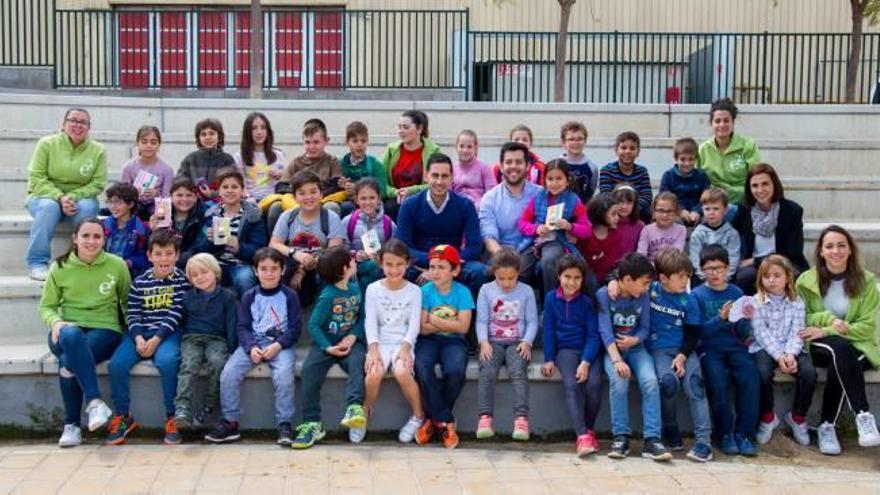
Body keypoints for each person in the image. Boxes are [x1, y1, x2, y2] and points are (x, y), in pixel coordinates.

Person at [39, 217, 131, 447]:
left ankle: (71, 426)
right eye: (86, 236)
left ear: (104, 239)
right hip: (65, 329)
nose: (91, 241)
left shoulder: (117, 265)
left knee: (68, 361)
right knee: (71, 335)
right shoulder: (59, 267)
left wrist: (134, 332)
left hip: (105, 329)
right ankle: (94, 402)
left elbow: (128, 303)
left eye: (97, 236)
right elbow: (46, 306)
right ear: (75, 239)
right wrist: (56, 321)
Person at [796, 225, 880, 455]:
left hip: (857, 344)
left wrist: (827, 331)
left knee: (841, 358)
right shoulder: (806, 281)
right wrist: (829, 321)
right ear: (821, 252)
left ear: (850, 250)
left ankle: (826, 427)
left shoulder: (867, 282)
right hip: (817, 345)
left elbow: (867, 327)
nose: (836, 251)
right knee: (841, 350)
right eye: (829, 246)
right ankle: (863, 414)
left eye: (841, 245)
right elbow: (800, 316)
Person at [205, 248, 301, 445]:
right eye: (264, 269)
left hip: (280, 346)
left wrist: (278, 345)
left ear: (282, 270)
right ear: (255, 271)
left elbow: (295, 328)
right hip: (254, 344)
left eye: (274, 268)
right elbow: (243, 326)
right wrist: (251, 347)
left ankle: (284, 424)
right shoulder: (250, 296)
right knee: (228, 374)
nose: (269, 273)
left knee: (283, 376)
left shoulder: (289, 296)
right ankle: (231, 422)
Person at [106, 229, 189, 445]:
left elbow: (176, 313)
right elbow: (132, 313)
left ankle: (172, 417)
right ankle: (124, 416)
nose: (164, 259)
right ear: (150, 256)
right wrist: (139, 339)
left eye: (169, 253)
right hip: (140, 334)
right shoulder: (140, 282)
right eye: (159, 254)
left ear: (177, 255)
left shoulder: (182, 281)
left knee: (168, 362)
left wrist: (157, 339)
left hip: (168, 334)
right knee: (117, 364)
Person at [598, 253, 671, 462]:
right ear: (627, 280)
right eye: (644, 283)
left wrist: (635, 340)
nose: (647, 288)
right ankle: (621, 436)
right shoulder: (604, 295)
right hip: (613, 351)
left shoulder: (643, 296)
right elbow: (604, 331)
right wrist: (617, 360)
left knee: (649, 381)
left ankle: (652, 439)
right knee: (619, 381)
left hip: (637, 350)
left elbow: (646, 328)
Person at [293, 247, 368, 449]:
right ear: (344, 269)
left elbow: (362, 317)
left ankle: (354, 407)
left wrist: (353, 336)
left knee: (358, 363)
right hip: (325, 344)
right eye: (351, 261)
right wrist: (327, 347)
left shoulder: (356, 286)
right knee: (309, 371)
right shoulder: (327, 295)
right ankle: (312, 422)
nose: (354, 262)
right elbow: (313, 325)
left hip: (350, 343)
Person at [644, 248, 713, 462]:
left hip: (684, 350)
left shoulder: (689, 300)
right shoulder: (650, 290)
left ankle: (704, 442)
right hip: (659, 350)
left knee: (694, 384)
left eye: (688, 275)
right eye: (680, 276)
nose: (685, 281)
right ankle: (671, 430)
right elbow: (624, 277)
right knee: (668, 382)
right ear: (663, 278)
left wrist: (683, 356)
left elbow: (693, 334)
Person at [692, 244, 760, 457]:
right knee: (717, 379)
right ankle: (724, 433)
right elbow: (699, 332)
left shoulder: (736, 292)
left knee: (750, 377)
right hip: (710, 349)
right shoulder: (697, 295)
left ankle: (745, 434)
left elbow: (741, 330)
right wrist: (720, 318)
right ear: (702, 270)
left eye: (719, 268)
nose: (714, 273)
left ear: (728, 269)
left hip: (735, 347)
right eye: (709, 269)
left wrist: (746, 319)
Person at [26, 108, 106, 281]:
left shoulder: (98, 150)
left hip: (78, 200)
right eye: (73, 120)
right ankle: (37, 263)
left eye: (83, 122)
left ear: (89, 127)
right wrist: (59, 197)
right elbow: (36, 178)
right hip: (44, 197)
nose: (78, 125)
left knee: (88, 207)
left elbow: (98, 183)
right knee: (49, 207)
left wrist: (73, 196)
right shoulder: (46, 144)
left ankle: (79, 260)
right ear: (63, 125)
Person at [396, 153, 489, 296]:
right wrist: (434, 265)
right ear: (426, 176)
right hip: (420, 264)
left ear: (452, 178)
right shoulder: (409, 205)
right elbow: (403, 247)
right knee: (399, 269)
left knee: (480, 272)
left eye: (444, 176)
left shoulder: (465, 205)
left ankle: (470, 317)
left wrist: (445, 267)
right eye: (435, 175)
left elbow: (474, 247)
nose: (439, 181)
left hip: (454, 263)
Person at [363, 239, 426, 444]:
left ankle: (418, 415)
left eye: (399, 264)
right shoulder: (373, 289)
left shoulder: (414, 291)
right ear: (381, 263)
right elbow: (370, 322)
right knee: (374, 373)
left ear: (407, 263)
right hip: (380, 342)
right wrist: (373, 351)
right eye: (389, 264)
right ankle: (364, 412)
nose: (394, 269)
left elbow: (414, 325)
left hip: (403, 342)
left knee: (401, 371)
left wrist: (406, 348)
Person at [750, 255, 816, 447]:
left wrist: (790, 354)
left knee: (809, 373)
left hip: (791, 348)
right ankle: (768, 417)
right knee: (761, 373)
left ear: (788, 277)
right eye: (766, 276)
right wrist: (780, 357)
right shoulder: (756, 302)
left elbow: (798, 331)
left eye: (777, 275)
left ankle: (797, 416)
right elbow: (761, 334)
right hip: (765, 348)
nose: (771, 280)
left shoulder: (797, 302)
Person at [412, 245, 474, 449]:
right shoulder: (424, 291)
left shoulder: (462, 292)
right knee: (421, 367)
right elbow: (422, 328)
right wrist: (448, 324)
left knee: (455, 370)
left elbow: (463, 327)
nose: (434, 272)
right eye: (431, 267)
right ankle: (445, 421)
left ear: (455, 270)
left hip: (454, 341)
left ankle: (432, 420)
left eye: (441, 267)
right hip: (428, 341)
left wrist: (432, 318)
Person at [540, 254, 602, 457]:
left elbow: (594, 335)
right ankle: (581, 435)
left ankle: (589, 429)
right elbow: (548, 330)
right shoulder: (550, 298)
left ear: (583, 279)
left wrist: (585, 362)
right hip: (565, 351)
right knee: (572, 385)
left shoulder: (587, 301)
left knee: (593, 385)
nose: (571, 282)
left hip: (588, 350)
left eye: (577, 278)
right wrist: (549, 358)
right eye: (567, 276)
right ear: (559, 276)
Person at [475, 248, 538, 441]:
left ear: (518, 273)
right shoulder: (486, 290)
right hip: (493, 342)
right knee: (487, 371)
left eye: (511, 278)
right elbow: (482, 320)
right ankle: (485, 418)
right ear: (494, 273)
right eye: (501, 278)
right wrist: (483, 342)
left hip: (517, 343)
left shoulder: (526, 291)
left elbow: (533, 321)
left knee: (518, 371)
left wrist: (527, 341)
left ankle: (521, 418)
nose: (506, 283)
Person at [173, 253, 238, 431]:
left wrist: (233, 348)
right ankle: (182, 407)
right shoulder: (187, 298)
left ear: (215, 271)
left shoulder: (227, 296)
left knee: (217, 363)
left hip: (217, 339)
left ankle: (209, 405)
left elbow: (232, 323)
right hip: (192, 338)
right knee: (189, 364)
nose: (200, 277)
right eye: (194, 275)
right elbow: (182, 321)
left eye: (204, 272)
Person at [268, 171, 346, 306]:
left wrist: (303, 270)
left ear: (321, 194)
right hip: (294, 262)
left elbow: (334, 250)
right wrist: (295, 254)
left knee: (330, 271)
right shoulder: (288, 216)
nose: (308, 197)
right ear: (295, 197)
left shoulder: (331, 217)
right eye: (302, 193)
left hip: (320, 265)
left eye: (313, 192)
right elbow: (274, 244)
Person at [732, 163, 808, 295]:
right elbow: (732, 235)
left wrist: (755, 260)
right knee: (745, 277)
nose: (760, 190)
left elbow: (793, 252)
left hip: (785, 262)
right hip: (754, 267)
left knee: (793, 277)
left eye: (765, 184)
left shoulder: (792, 211)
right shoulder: (744, 209)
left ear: (774, 185)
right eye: (755, 185)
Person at [518, 159, 589, 293]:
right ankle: (526, 304)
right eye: (550, 179)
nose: (554, 183)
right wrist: (535, 229)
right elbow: (522, 222)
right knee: (520, 268)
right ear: (545, 181)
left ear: (567, 181)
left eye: (559, 179)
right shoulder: (538, 197)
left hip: (557, 240)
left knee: (548, 262)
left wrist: (569, 226)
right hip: (536, 241)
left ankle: (549, 303)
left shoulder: (574, 200)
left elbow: (586, 229)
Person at [194, 167, 266, 296]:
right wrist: (210, 241)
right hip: (215, 264)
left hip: (241, 264)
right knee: (201, 275)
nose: (230, 191)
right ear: (219, 191)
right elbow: (199, 248)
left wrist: (239, 248)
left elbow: (259, 250)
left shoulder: (253, 215)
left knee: (245, 278)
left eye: (234, 187)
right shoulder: (211, 214)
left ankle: (247, 313)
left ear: (242, 190)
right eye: (225, 187)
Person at [479, 141, 542, 278]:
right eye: (508, 162)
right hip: (498, 251)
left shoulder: (540, 195)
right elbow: (488, 235)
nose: (513, 166)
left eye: (518, 162)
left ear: (527, 166)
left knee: (518, 271)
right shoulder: (489, 198)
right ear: (501, 166)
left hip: (528, 250)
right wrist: (504, 257)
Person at [697, 98, 763, 208]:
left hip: (743, 203)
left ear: (733, 122)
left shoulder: (748, 145)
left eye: (726, 120)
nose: (722, 125)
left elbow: (757, 177)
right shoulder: (703, 149)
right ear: (711, 123)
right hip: (713, 205)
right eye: (717, 121)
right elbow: (696, 180)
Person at [381, 110, 440, 218]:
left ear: (419, 129)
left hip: (422, 198)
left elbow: (437, 182)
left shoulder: (433, 151)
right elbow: (380, 179)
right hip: (395, 199)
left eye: (406, 127)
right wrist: (395, 192)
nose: (401, 131)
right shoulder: (391, 150)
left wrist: (411, 191)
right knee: (391, 207)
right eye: (399, 127)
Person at [340, 178, 396, 293]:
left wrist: (380, 255)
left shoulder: (388, 224)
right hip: (354, 265)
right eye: (363, 198)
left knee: (373, 267)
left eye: (372, 198)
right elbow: (341, 247)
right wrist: (355, 254)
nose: (368, 202)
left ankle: (360, 300)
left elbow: (395, 249)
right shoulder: (348, 221)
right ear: (356, 200)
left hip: (377, 267)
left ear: (379, 199)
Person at [149, 177, 206, 270]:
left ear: (196, 197)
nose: (184, 199)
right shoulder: (162, 212)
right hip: (166, 260)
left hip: (194, 261)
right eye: (179, 195)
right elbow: (155, 246)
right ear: (171, 196)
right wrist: (153, 231)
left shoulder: (204, 214)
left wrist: (178, 260)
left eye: (189, 195)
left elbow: (201, 246)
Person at [120, 125, 174, 220]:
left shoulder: (167, 169)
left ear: (159, 145)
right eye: (144, 142)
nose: (148, 145)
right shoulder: (128, 167)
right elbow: (124, 195)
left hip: (156, 207)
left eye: (153, 142)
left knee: (162, 209)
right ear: (137, 144)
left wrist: (156, 194)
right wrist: (134, 194)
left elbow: (167, 197)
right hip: (134, 206)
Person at [599, 131, 652, 224]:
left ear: (638, 152)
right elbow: (605, 194)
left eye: (632, 148)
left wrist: (631, 208)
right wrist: (620, 208)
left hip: (635, 210)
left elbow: (647, 197)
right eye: (623, 148)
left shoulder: (642, 171)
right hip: (614, 209)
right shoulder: (607, 170)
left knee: (648, 211)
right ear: (616, 150)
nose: (628, 151)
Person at [689, 188, 740, 284]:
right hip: (703, 278)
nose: (711, 212)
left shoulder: (732, 234)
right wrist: (705, 278)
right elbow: (695, 260)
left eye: (716, 208)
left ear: (725, 210)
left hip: (725, 278)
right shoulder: (698, 233)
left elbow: (733, 258)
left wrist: (725, 278)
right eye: (707, 209)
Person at [177, 118, 235, 202]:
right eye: (203, 134)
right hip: (194, 204)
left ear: (219, 137)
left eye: (212, 133)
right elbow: (179, 182)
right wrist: (191, 193)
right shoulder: (190, 159)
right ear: (199, 138)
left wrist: (212, 194)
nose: (208, 137)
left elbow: (233, 186)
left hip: (220, 204)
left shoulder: (227, 160)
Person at [234, 112, 286, 204]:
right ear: (247, 132)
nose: (259, 132)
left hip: (273, 200)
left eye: (263, 128)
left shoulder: (278, 155)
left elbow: (289, 177)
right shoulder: (239, 157)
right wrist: (248, 198)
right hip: (250, 200)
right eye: (254, 128)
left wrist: (280, 174)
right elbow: (241, 186)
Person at [339, 121, 388, 216]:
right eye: (355, 141)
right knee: (346, 207)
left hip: (371, 203)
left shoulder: (375, 164)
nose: (359, 145)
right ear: (346, 142)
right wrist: (341, 185)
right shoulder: (341, 164)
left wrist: (357, 188)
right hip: (349, 202)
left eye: (363, 141)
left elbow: (383, 191)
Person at [102, 182, 150, 277]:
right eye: (110, 202)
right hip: (104, 270)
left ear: (131, 204)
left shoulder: (141, 229)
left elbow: (145, 257)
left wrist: (129, 262)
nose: (113, 206)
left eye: (118, 202)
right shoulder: (103, 225)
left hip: (129, 274)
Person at [659, 137, 709, 227]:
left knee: (709, 220)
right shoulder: (668, 176)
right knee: (673, 221)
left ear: (696, 159)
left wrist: (697, 211)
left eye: (691, 159)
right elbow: (664, 198)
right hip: (675, 212)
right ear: (676, 158)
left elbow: (706, 199)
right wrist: (680, 210)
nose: (687, 163)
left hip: (697, 213)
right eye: (683, 159)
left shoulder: (702, 176)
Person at [578, 194, 627, 285]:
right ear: (601, 215)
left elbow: (609, 265)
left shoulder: (616, 235)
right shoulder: (586, 233)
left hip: (606, 278)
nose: (617, 217)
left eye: (617, 214)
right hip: (583, 275)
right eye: (613, 214)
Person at [637, 192, 687, 262]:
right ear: (653, 212)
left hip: (672, 267)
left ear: (676, 212)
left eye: (669, 211)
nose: (664, 215)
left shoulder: (681, 230)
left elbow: (676, 255)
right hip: (650, 268)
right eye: (660, 210)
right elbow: (641, 255)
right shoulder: (647, 230)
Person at [558, 121, 599, 205]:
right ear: (563, 142)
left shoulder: (592, 168)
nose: (576, 143)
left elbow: (590, 192)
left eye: (580, 139)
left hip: (582, 212)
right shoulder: (557, 165)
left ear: (585, 141)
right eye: (571, 139)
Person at [451, 129, 495, 207]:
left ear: (475, 148)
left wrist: (478, 206)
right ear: (456, 147)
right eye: (461, 146)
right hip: (457, 209)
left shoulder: (485, 169)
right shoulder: (451, 170)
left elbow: (491, 194)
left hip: (479, 210)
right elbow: (448, 193)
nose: (465, 150)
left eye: (469, 147)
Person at [611, 184, 645, 253]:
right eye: (621, 202)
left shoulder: (640, 226)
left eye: (629, 203)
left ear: (634, 205)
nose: (624, 206)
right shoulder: (608, 223)